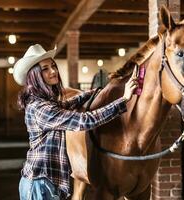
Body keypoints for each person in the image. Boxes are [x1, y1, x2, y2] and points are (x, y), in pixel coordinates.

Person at [13, 44, 138, 200]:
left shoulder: (44, 102)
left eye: (53, 66)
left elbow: (67, 104)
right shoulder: (40, 108)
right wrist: (123, 100)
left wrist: (96, 92)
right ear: (35, 76)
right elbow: (84, 120)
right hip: (40, 185)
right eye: (45, 69)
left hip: (45, 182)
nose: (53, 71)